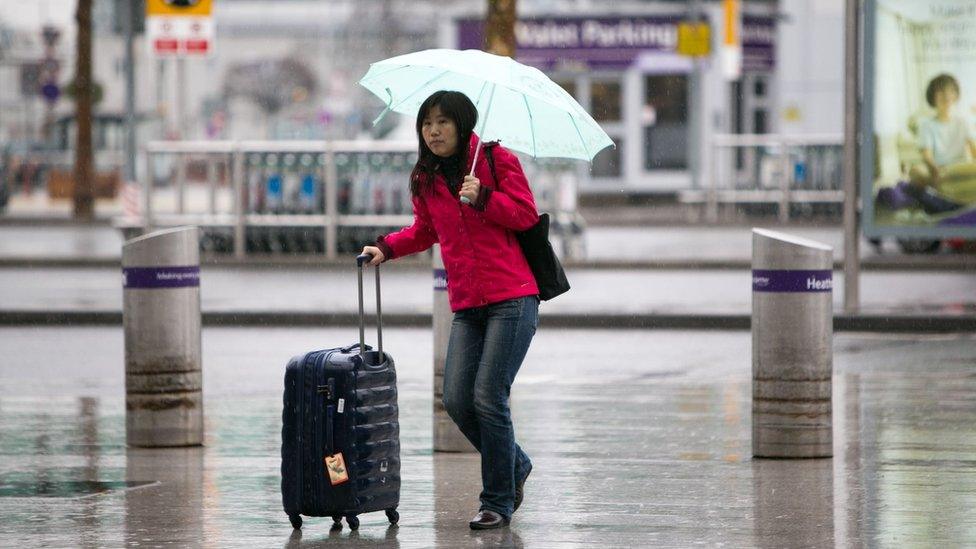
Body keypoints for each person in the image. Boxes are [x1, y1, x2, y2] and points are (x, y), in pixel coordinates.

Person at [360, 90, 538, 530]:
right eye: (426, 124)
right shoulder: (426, 177)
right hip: (469, 304)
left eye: (443, 122)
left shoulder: (496, 162)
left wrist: (484, 198)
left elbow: (526, 216)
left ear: (462, 124)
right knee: (457, 400)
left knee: (488, 397)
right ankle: (514, 464)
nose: (434, 131)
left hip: (512, 299)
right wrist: (386, 247)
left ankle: (497, 500)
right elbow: (425, 230)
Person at [909, 73, 976, 191]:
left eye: (950, 91)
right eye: (941, 92)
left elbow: (973, 149)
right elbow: (927, 156)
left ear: (956, 95)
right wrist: (936, 171)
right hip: (938, 169)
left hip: (961, 168)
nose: (946, 96)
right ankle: (939, 188)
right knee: (915, 171)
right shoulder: (926, 125)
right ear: (933, 97)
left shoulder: (963, 122)